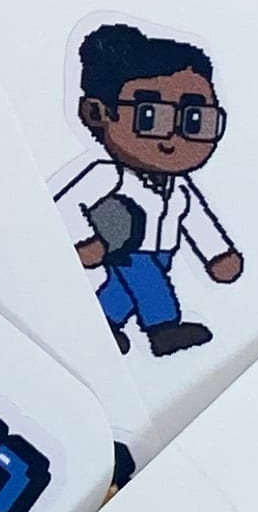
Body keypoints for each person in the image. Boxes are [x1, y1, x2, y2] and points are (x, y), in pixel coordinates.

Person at [56, 22, 242, 358]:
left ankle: (103, 325)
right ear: (98, 113)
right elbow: (67, 205)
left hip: (164, 250)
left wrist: (218, 254)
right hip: (126, 246)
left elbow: (197, 221)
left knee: (120, 293)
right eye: (150, 117)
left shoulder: (179, 187)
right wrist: (85, 241)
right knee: (147, 283)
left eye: (195, 120)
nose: (173, 136)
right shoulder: (110, 175)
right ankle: (164, 328)